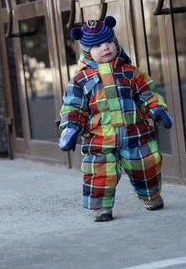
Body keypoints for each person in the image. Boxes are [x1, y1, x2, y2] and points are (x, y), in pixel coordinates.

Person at [59, 16, 173, 222]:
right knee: (99, 172)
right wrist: (70, 129)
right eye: (97, 45)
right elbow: (72, 107)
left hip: (135, 133)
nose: (106, 48)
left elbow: (147, 93)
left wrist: (157, 109)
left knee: (145, 164)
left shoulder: (130, 72)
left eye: (109, 42)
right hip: (100, 138)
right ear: (86, 50)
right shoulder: (80, 80)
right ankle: (101, 208)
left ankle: (151, 195)